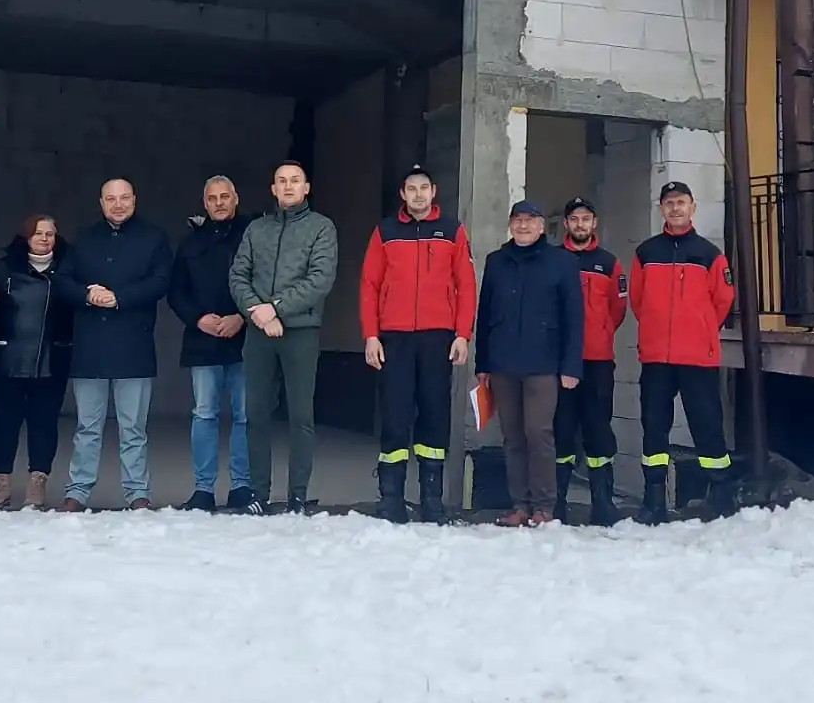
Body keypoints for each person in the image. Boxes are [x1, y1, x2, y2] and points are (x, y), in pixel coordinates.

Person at [359, 163, 474, 524]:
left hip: (438, 337)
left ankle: (432, 500)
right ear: (403, 194)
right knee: (394, 416)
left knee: (435, 415)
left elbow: (467, 285)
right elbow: (369, 284)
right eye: (411, 188)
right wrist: (371, 335)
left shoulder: (452, 230)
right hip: (394, 337)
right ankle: (390, 497)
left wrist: (462, 334)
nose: (418, 195)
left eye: (424, 187)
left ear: (433, 192)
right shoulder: (386, 231)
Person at [54, 178, 172, 511]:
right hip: (89, 346)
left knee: (133, 428)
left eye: (124, 198)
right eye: (111, 199)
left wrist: (120, 297)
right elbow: (62, 280)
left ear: (134, 199)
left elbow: (161, 281)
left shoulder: (153, 237)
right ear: (101, 203)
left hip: (133, 345)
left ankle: (137, 493)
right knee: (87, 427)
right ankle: (77, 492)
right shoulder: (84, 238)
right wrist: (87, 295)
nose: (118, 205)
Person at [229, 161, 338, 514]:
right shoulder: (256, 229)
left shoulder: (321, 228)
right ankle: (258, 494)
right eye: (281, 181)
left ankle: (297, 495)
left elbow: (320, 279)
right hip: (259, 333)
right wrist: (257, 313)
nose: (288, 186)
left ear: (306, 188)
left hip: (301, 332)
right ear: (273, 189)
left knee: (300, 416)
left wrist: (274, 309)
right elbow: (238, 276)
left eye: (295, 180)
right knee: (255, 414)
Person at [629, 181, 738, 524]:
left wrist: (700, 330)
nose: (675, 208)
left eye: (681, 202)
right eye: (669, 203)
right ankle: (654, 501)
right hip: (656, 358)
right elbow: (637, 301)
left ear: (693, 207)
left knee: (707, 425)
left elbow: (723, 300)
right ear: (661, 208)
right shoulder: (646, 253)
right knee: (654, 427)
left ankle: (721, 497)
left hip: (697, 357)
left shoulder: (710, 254)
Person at [475, 201, 583, 526]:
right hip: (503, 363)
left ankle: (544, 507)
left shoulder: (562, 262)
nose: (523, 226)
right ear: (510, 225)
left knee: (539, 434)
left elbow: (574, 318)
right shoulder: (496, 261)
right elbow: (485, 314)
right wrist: (483, 363)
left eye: (530, 220)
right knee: (512, 436)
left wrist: (571, 366)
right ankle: (520, 505)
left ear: (541, 226)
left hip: (543, 363)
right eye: (517, 220)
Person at [167, 176, 256, 512]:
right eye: (212, 198)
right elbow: (176, 291)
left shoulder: (252, 235)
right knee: (204, 414)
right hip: (202, 341)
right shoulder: (190, 243)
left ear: (236, 199)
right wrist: (197, 319)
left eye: (225, 196)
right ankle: (203, 490)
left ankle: (242, 486)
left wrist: (242, 317)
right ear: (205, 203)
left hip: (245, 340)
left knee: (245, 416)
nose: (219, 203)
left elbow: (265, 281)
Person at [0, 214, 72, 510]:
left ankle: (37, 483)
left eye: (50, 233)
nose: (44, 239)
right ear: (26, 237)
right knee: (4, 423)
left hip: (51, 359)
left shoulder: (68, 268)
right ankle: (2, 483)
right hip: (7, 358)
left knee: (44, 423)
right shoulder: (4, 268)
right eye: (38, 233)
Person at [554, 196, 625, 526]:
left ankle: (603, 502)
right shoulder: (553, 260)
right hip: (559, 362)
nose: (580, 224)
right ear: (566, 224)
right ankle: (556, 501)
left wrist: (600, 332)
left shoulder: (609, 264)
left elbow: (618, 310)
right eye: (574, 219)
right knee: (561, 430)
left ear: (594, 223)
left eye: (586, 219)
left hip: (597, 361)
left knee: (598, 430)